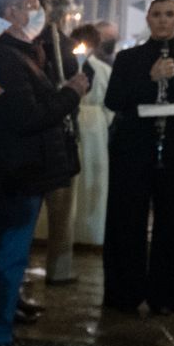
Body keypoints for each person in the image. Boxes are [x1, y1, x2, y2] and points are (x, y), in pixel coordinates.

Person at [0, 0, 87, 346]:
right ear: (11, 12)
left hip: (26, 170)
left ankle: (0, 330)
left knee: (12, 255)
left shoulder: (24, 53)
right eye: (33, 5)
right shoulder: (5, 58)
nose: (40, 13)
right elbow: (28, 116)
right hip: (16, 172)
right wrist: (71, 94)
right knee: (7, 255)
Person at [104, 0, 174, 315]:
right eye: (157, 15)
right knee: (127, 220)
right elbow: (115, 100)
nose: (163, 20)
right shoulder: (128, 58)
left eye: (170, 15)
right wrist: (149, 78)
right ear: (148, 20)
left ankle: (167, 295)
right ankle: (124, 292)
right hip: (134, 149)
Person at [32, 0, 83, 289]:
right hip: (57, 133)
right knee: (60, 209)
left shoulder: (28, 43)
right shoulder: (61, 45)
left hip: (43, 133)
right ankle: (59, 268)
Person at [70, 23, 113, 247]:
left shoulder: (100, 70)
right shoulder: (104, 70)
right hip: (95, 123)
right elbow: (111, 106)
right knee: (89, 175)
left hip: (88, 120)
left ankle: (82, 229)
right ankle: (88, 230)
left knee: (87, 176)